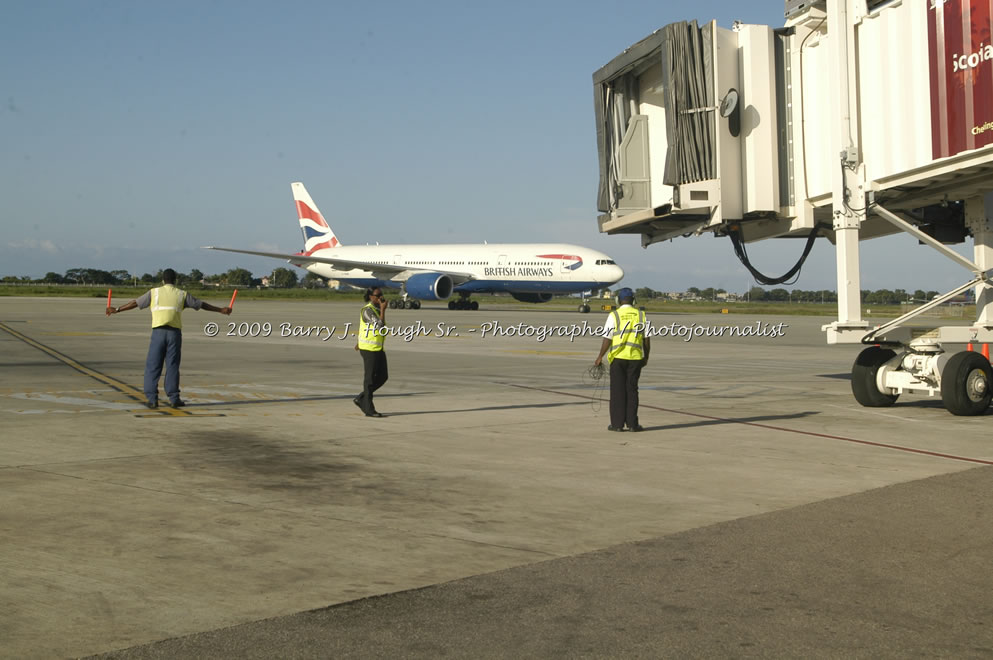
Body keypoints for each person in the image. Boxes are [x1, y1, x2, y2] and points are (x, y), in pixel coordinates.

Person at [106, 268, 231, 409]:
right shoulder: (182, 294)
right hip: (174, 334)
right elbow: (201, 304)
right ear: (175, 280)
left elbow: (135, 303)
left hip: (158, 333)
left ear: (162, 280)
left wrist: (117, 310)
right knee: (172, 366)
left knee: (153, 366)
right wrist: (221, 310)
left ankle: (152, 399)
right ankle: (174, 398)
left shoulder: (154, 292)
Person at [594, 287, 650, 432]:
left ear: (618, 300)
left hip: (618, 358)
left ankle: (617, 424)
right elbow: (646, 339)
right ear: (634, 300)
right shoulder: (641, 315)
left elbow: (607, 337)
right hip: (635, 358)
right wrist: (646, 357)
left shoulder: (614, 315)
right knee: (632, 390)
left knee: (617, 391)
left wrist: (600, 356)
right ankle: (632, 424)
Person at [354, 286, 389, 417]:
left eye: (381, 295)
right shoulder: (368, 310)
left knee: (383, 377)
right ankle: (369, 409)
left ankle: (361, 398)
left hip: (378, 348)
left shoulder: (377, 309)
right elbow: (379, 326)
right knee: (369, 380)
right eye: (377, 295)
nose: (380, 297)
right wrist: (383, 310)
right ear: (370, 297)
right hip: (369, 349)